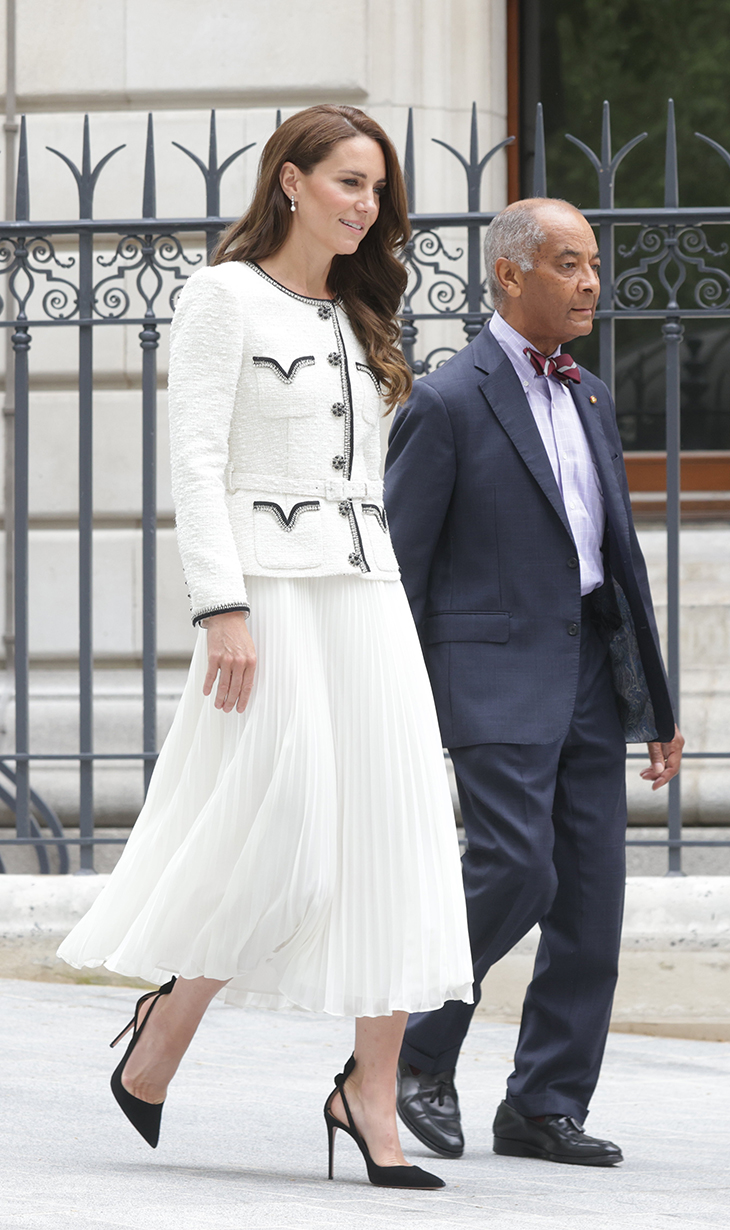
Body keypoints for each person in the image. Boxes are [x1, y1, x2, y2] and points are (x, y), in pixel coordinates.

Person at [57, 104, 473, 1191]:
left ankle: (368, 1095)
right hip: (268, 598)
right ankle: (168, 1020)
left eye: (376, 189)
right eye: (346, 181)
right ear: (287, 182)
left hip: (368, 599)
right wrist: (219, 607)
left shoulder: (358, 316)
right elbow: (193, 461)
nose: (364, 204)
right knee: (276, 827)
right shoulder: (222, 296)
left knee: (397, 833)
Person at [385, 198, 685, 1167]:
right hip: (489, 675)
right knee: (517, 868)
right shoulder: (446, 400)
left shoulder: (589, 395)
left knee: (591, 900)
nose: (591, 282)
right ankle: (407, 1054)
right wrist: (401, 696)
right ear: (511, 275)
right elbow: (402, 564)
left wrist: (657, 705)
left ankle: (544, 1102)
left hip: (592, 675)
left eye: (593, 263)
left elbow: (617, 559)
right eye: (568, 263)